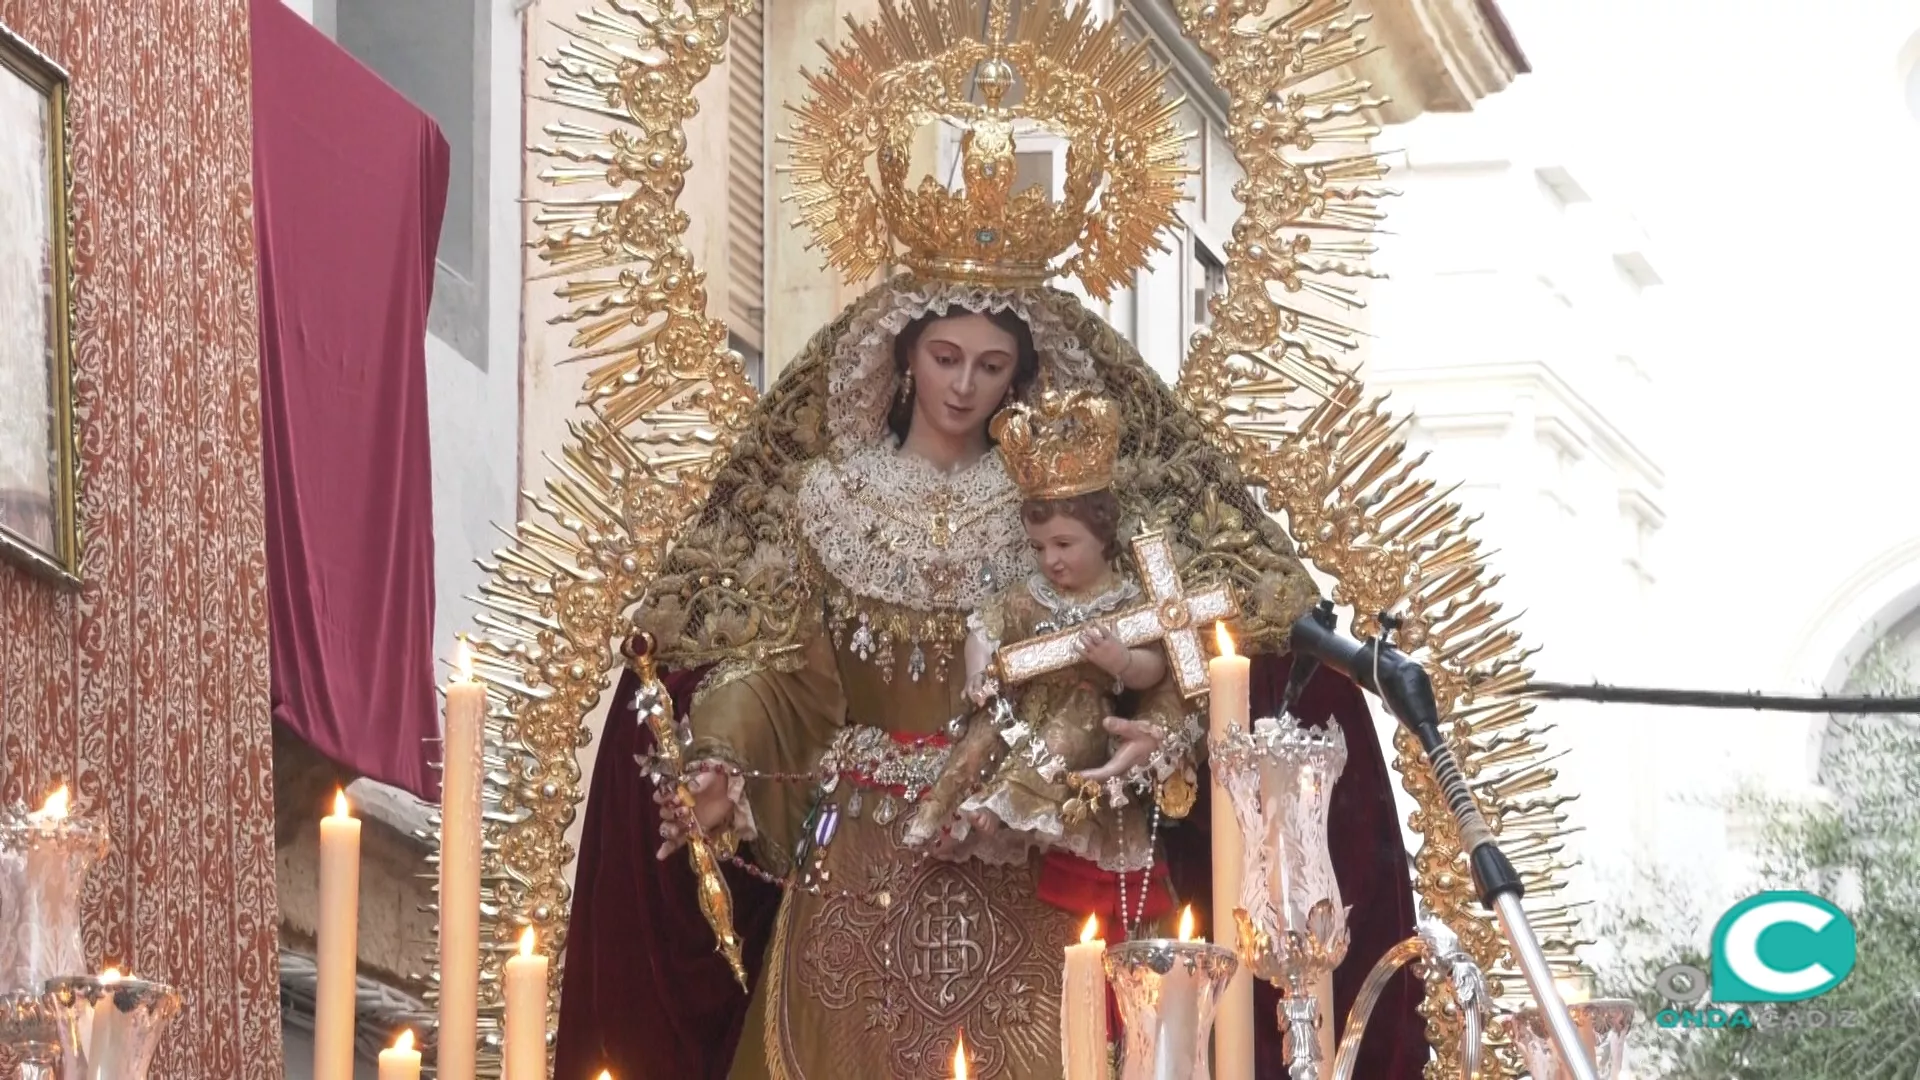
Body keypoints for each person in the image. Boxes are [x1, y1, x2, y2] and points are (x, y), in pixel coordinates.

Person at [905, 391, 1184, 880]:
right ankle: (942, 814)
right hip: (1020, 706)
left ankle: (1004, 805)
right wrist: (978, 676)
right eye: (1039, 547)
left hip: (1084, 708)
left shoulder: (1127, 599)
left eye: (1064, 544)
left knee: (1063, 737)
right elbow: (983, 628)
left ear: (1102, 534)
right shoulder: (1030, 595)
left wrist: (1119, 662)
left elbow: (1156, 665)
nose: (1050, 559)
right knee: (980, 735)